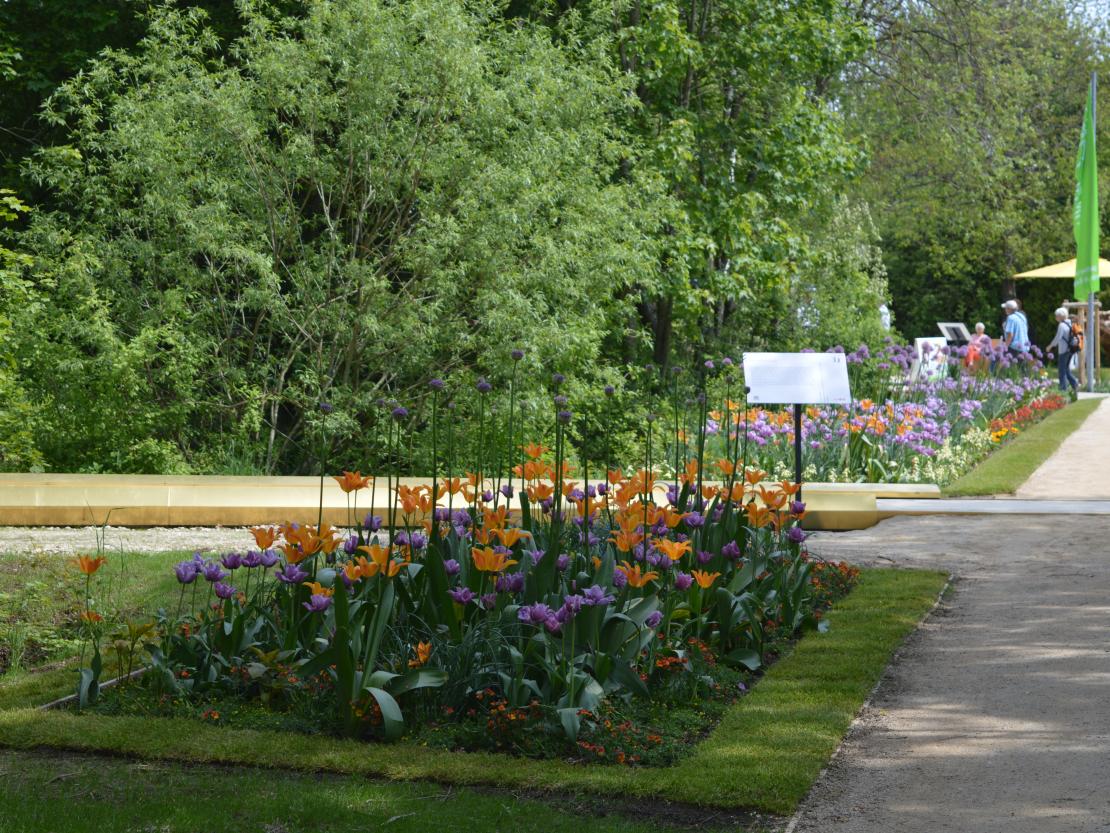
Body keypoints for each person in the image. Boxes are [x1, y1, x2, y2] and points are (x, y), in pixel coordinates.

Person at [1046, 306, 1079, 397]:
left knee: (1061, 371)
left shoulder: (1061, 325)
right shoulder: (1070, 323)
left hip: (1063, 350)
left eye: (1057, 316)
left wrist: (1050, 346)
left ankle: (1063, 390)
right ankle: (1074, 384)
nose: (1056, 317)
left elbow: (1057, 338)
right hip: (1071, 350)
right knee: (1066, 369)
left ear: (1061, 316)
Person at [1000, 299, 1030, 372]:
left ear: (1009, 309)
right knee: (1023, 370)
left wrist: (1005, 346)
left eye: (1006, 308)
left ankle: (1000, 381)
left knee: (1005, 369)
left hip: (1014, 347)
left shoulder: (1011, 318)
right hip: (1024, 346)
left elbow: (1010, 334)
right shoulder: (1022, 316)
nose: (1005, 310)